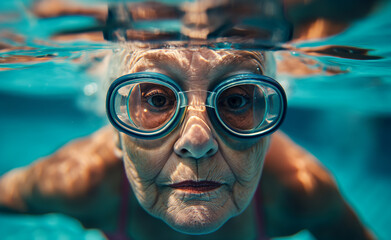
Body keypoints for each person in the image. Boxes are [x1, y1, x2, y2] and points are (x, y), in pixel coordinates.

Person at [0, 47, 375, 240]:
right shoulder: (82, 181)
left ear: (268, 125)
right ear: (116, 131)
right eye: (157, 100)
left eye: (236, 100)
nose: (197, 141)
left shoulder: (300, 189)